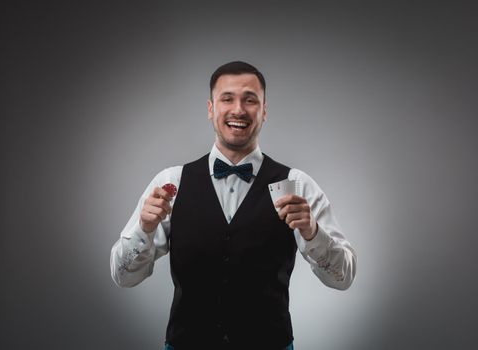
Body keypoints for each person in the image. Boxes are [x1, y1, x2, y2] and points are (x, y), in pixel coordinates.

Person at [110, 61, 356, 350]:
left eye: (250, 100)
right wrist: (144, 228)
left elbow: (343, 278)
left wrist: (314, 233)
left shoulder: (296, 184)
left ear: (264, 111)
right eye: (227, 98)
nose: (238, 109)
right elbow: (123, 278)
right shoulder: (171, 183)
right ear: (211, 109)